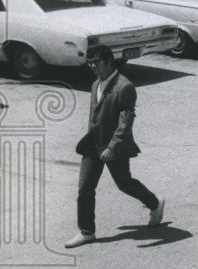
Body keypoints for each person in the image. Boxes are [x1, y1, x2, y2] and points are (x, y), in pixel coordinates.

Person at [67, 45, 165, 245]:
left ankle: (155, 203)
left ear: (108, 61)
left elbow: (125, 122)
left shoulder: (124, 86)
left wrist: (112, 147)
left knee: (124, 183)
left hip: (114, 147)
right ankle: (86, 231)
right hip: (93, 145)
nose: (93, 67)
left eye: (97, 63)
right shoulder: (96, 84)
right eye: (90, 63)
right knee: (85, 187)